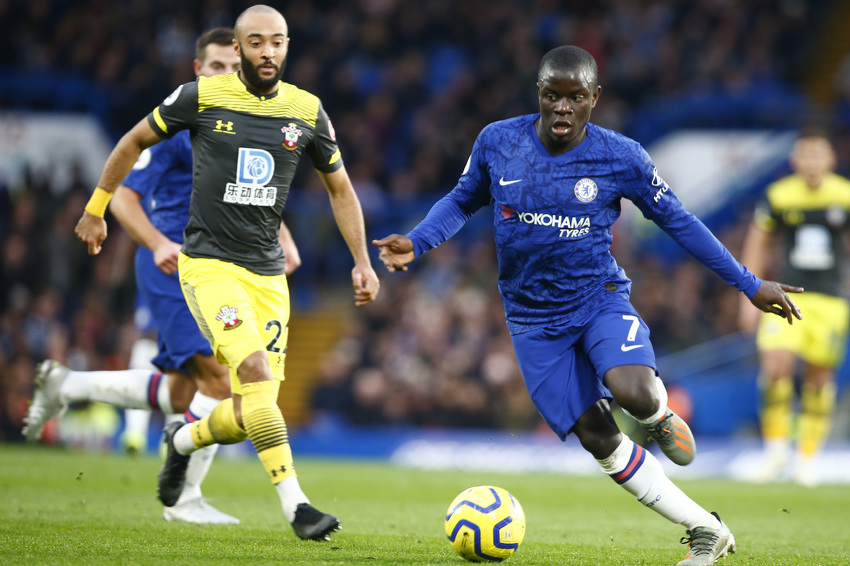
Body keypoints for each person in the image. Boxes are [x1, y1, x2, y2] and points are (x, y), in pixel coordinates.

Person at [374, 46, 802, 566]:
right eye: (552, 95)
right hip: (531, 321)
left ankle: (660, 413)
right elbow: (464, 198)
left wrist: (748, 283)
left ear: (594, 99)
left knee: (635, 394)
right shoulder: (498, 142)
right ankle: (706, 529)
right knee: (599, 437)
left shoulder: (621, 157)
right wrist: (417, 242)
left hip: (597, 299)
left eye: (575, 97)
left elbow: (681, 222)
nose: (562, 107)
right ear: (539, 93)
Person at [73, 5, 379, 541]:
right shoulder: (200, 97)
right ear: (237, 49)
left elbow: (341, 190)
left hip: (268, 276)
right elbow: (130, 143)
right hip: (209, 267)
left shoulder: (306, 110)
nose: (267, 52)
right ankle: (298, 507)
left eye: (277, 42)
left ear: (287, 46)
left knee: (247, 411)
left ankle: (183, 440)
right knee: (254, 371)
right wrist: (96, 208)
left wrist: (361, 261)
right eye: (256, 42)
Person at [22, 27, 303, 525]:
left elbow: (249, 190)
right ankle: (183, 501)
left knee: (180, 391)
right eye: (216, 67)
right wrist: (157, 243)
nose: (227, 76)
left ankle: (67, 386)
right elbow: (128, 194)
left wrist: (283, 238)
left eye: (234, 69)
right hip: (178, 264)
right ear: (198, 70)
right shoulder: (183, 126)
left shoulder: (242, 122)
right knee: (222, 379)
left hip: (229, 262)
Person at [738, 130, 850, 486]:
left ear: (831, 159)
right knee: (775, 365)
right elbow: (758, 241)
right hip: (787, 294)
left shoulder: (844, 195)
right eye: (806, 155)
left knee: (819, 376)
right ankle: (775, 453)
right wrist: (749, 292)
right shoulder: (779, 195)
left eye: (819, 155)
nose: (813, 162)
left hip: (831, 300)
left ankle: (806, 459)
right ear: (795, 160)